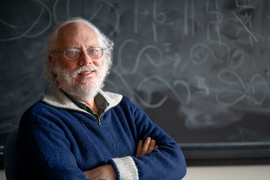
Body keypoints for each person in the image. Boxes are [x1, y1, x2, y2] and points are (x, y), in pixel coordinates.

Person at [16, 17, 186, 180]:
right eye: (73, 52)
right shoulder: (40, 121)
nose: (86, 60)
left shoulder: (124, 108)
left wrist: (108, 172)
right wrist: (145, 171)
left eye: (93, 50)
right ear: (53, 64)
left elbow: (176, 161)